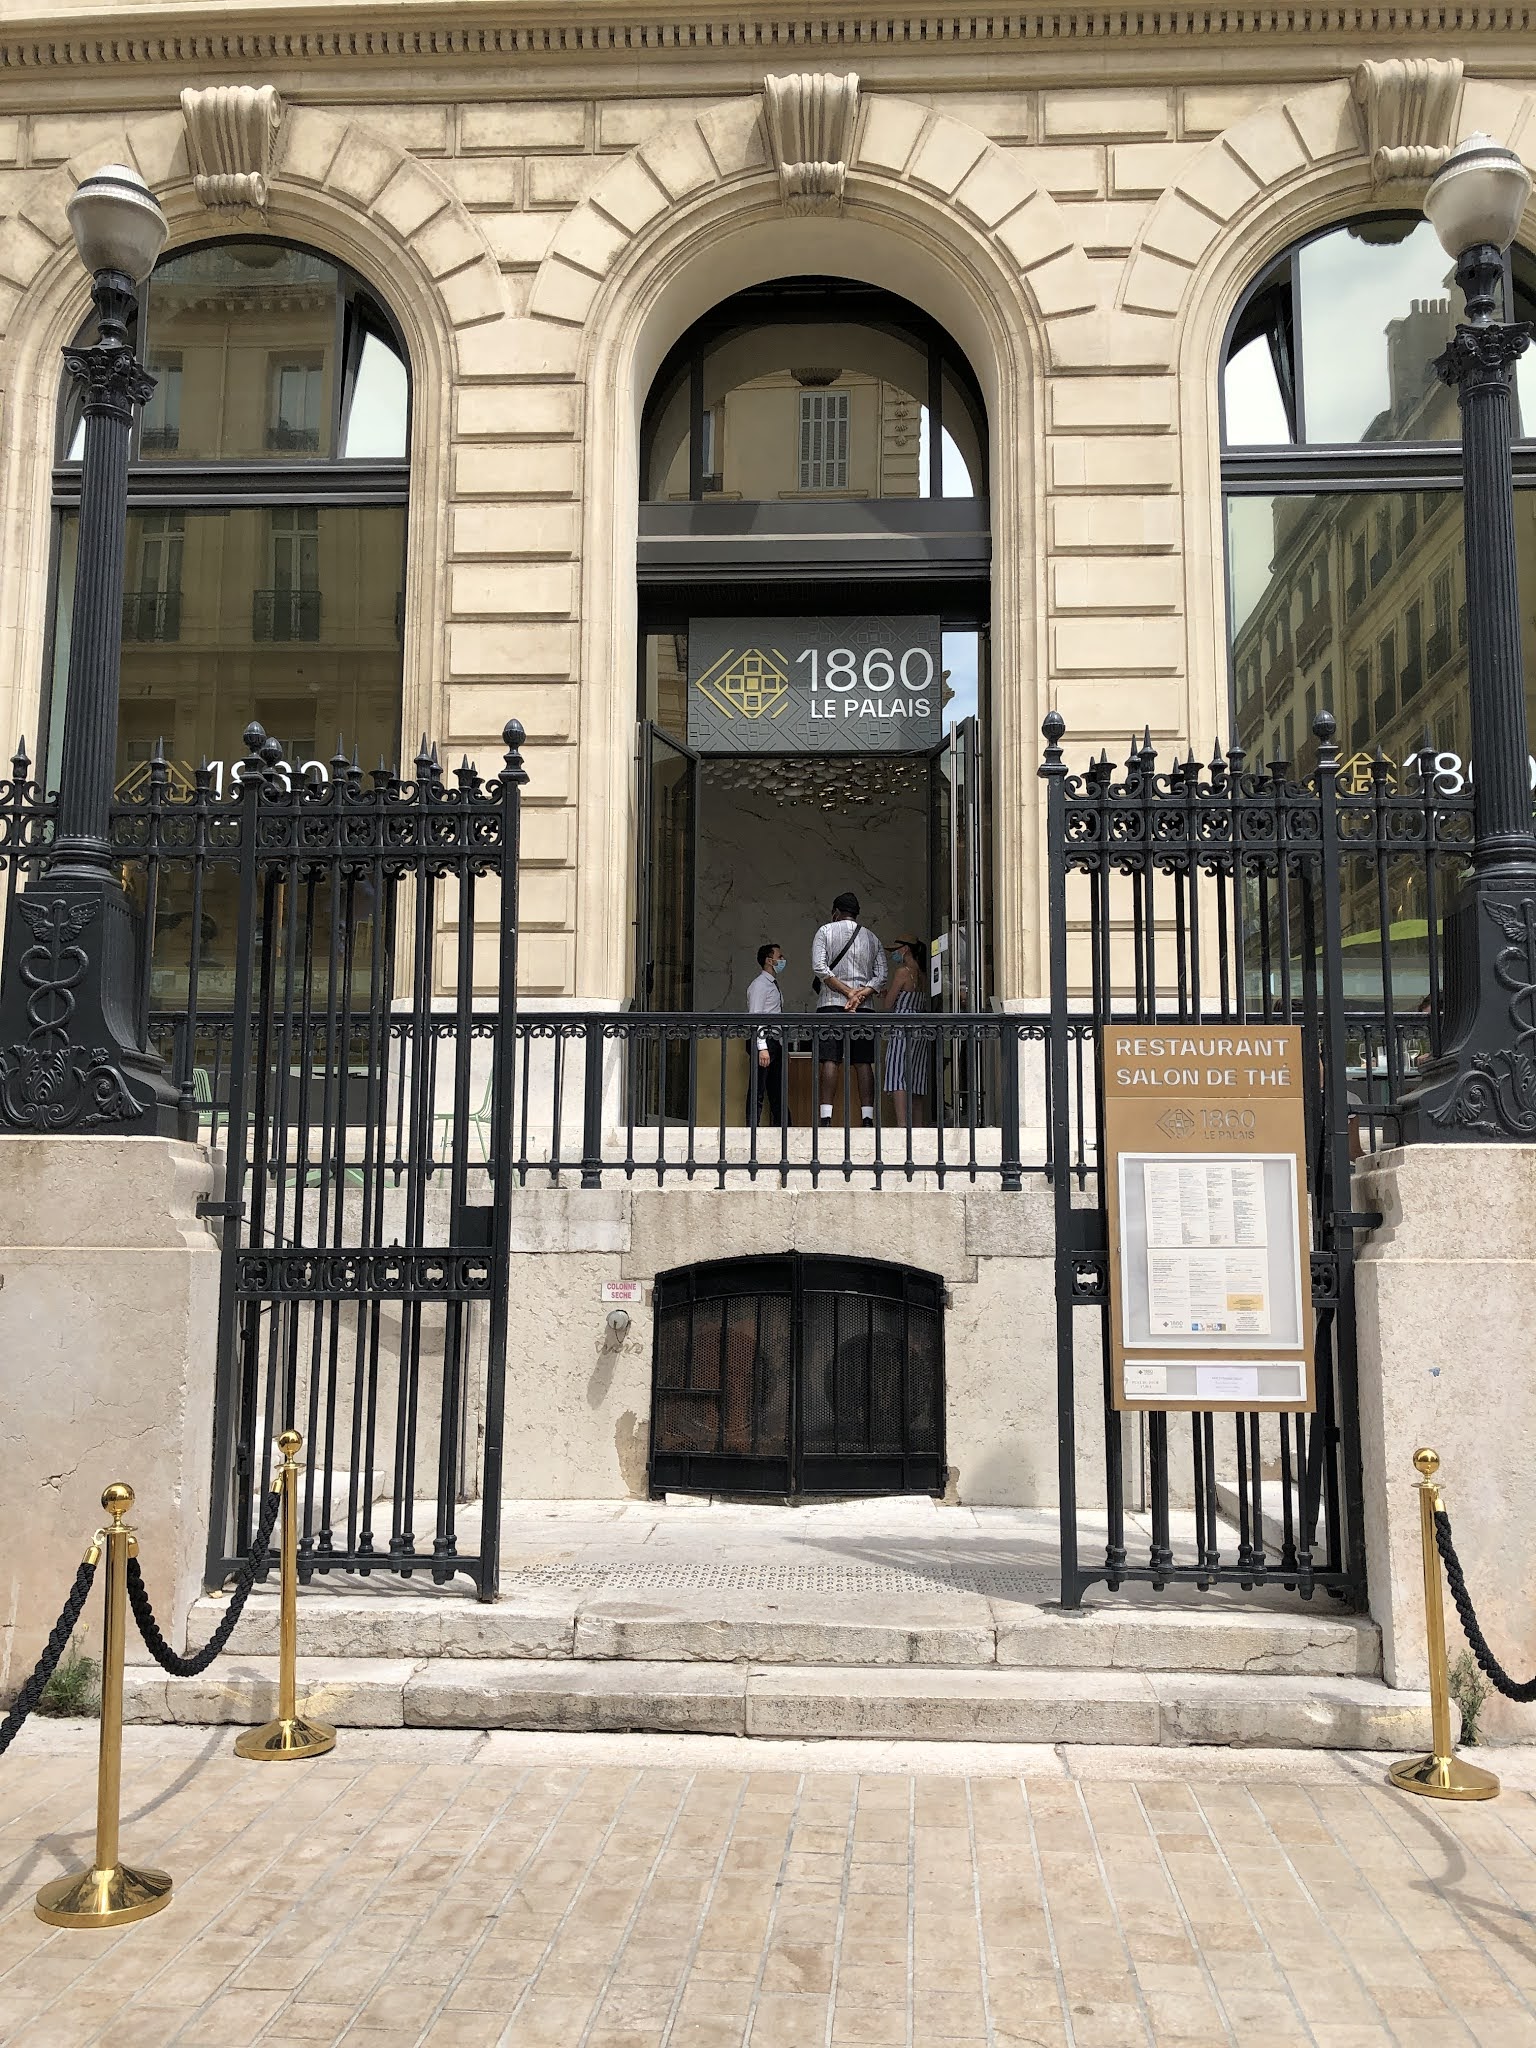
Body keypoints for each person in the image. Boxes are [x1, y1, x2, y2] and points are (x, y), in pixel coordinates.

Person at [810, 891, 886, 1126]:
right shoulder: (872, 938)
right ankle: (867, 1118)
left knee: (830, 1060)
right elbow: (881, 975)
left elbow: (820, 968)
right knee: (863, 1061)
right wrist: (860, 994)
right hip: (864, 1008)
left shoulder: (825, 931)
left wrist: (846, 992)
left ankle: (825, 1118)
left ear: (836, 912)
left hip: (831, 1004)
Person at [881, 936, 932, 1126]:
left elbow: (888, 1004)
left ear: (905, 949)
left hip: (901, 1026)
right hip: (919, 1026)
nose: (894, 954)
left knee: (897, 1073)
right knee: (916, 1076)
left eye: (896, 949)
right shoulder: (923, 975)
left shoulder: (903, 972)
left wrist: (885, 996)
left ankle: (902, 1124)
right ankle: (917, 1126)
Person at [745, 941, 787, 1126]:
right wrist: (762, 1047)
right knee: (758, 1088)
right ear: (769, 960)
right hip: (765, 1040)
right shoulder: (760, 985)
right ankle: (752, 1127)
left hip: (774, 1041)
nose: (782, 960)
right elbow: (756, 1016)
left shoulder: (772, 984)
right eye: (779, 956)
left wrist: (781, 1045)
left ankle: (782, 1127)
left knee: (777, 1089)